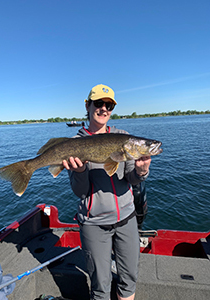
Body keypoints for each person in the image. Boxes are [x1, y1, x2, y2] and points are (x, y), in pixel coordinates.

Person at [63, 84, 151, 300]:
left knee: (129, 281)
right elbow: (80, 192)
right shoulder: (74, 144)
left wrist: (141, 171)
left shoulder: (124, 138)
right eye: (99, 103)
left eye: (109, 105)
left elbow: (130, 178)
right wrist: (81, 170)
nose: (104, 109)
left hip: (127, 219)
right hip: (94, 224)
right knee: (100, 287)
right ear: (88, 105)